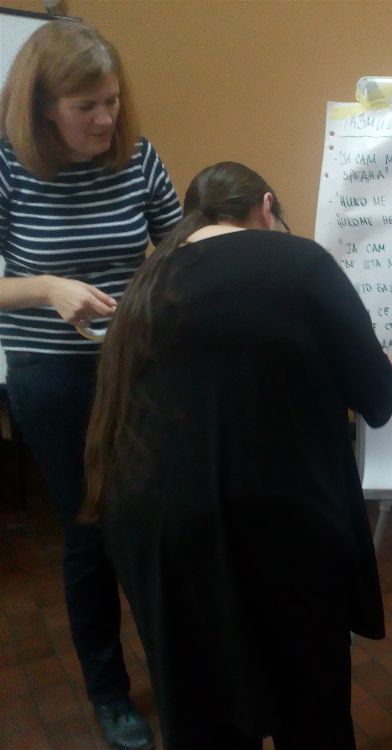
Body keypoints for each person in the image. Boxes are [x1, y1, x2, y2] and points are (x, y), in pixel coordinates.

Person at [82, 161, 392, 749]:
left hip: (155, 525)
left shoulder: (149, 279)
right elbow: (377, 400)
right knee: (310, 706)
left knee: (203, 708)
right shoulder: (301, 262)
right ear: (267, 206)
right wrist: (384, 368)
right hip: (277, 518)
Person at [0, 20, 181, 749]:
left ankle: (178, 670)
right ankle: (109, 693)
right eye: (86, 107)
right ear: (44, 108)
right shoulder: (8, 166)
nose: (106, 120)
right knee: (90, 529)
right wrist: (47, 288)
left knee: (156, 521)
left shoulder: (137, 157)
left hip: (137, 366)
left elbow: (178, 246)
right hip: (51, 375)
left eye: (111, 101)